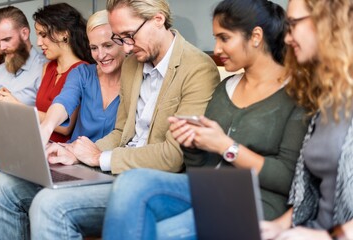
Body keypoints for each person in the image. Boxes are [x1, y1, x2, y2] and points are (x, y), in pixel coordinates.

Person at [0, 0, 220, 239]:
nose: (128, 48)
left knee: (49, 206)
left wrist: (99, 157)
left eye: (128, 35)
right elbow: (121, 132)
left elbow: (174, 156)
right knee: (1, 187)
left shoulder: (197, 68)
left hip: (152, 179)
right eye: (121, 39)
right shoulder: (134, 63)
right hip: (113, 169)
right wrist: (73, 151)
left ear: (158, 19)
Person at [101, 0, 308, 239]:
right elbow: (199, 169)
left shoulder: (297, 94)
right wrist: (192, 144)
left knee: (159, 233)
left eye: (224, 38)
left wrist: (226, 147)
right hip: (206, 190)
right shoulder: (224, 89)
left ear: (255, 36)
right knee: (131, 182)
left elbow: (289, 179)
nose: (216, 50)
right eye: (216, 38)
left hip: (256, 201)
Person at [260, 0, 353, 239]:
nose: (288, 39)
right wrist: (278, 226)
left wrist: (330, 236)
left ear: (329, 22)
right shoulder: (328, 97)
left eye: (292, 25)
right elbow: (311, 194)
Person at [41, 9, 124, 157]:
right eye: (94, 48)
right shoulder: (82, 73)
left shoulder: (138, 81)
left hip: (108, 164)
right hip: (71, 159)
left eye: (108, 45)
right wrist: (47, 126)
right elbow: (65, 100)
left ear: (123, 42)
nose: (101, 55)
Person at [33, 3, 94, 143]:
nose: (38, 42)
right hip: (39, 143)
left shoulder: (82, 71)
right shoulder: (48, 67)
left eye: (43, 35)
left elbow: (66, 127)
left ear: (64, 34)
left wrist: (20, 107)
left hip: (60, 150)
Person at [0, 6, 46, 106]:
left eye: (7, 39)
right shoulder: (0, 70)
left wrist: (15, 105)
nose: (2, 47)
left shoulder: (45, 69)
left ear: (24, 33)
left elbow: (51, 119)